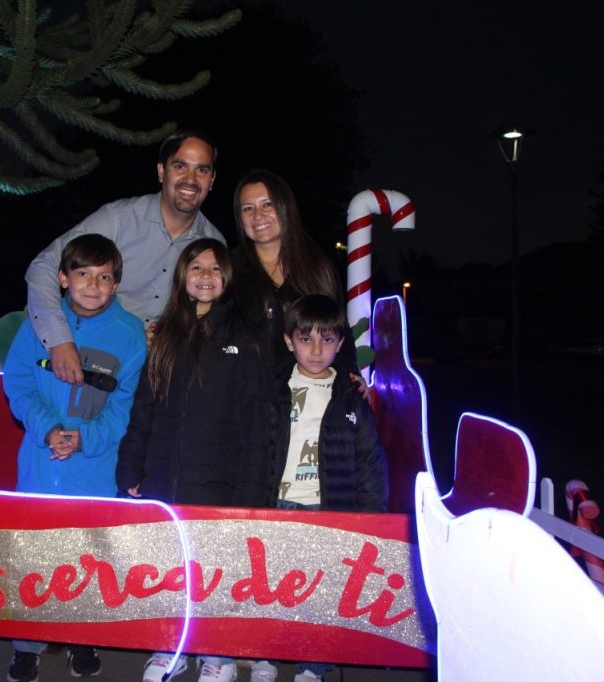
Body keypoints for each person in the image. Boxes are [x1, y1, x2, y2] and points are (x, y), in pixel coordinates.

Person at [116, 238, 266, 682]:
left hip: (219, 481)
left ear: (229, 278)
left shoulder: (244, 337)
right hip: (165, 479)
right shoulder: (165, 337)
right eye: (196, 267)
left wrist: (250, 489)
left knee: (215, 570)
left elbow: (256, 423)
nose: (205, 276)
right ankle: (172, 647)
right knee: (171, 569)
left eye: (215, 269)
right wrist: (131, 469)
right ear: (182, 276)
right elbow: (144, 409)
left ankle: (215, 652)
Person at [2, 234, 148, 682]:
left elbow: (124, 409)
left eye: (104, 276)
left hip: (94, 469)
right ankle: (27, 644)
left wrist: (82, 439)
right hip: (40, 465)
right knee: (33, 555)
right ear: (63, 278)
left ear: (116, 283)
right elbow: (18, 385)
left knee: (89, 557)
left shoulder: (129, 335)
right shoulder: (39, 323)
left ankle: (84, 637)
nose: (92, 284)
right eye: (83, 273)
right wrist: (49, 429)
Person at [25, 129, 225, 386]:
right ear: (162, 171)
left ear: (212, 180)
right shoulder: (118, 220)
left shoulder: (213, 245)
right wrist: (59, 341)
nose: (191, 179)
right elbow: (44, 266)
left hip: (158, 373)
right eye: (180, 166)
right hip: (90, 358)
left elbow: (210, 318)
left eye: (202, 170)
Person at [268, 294, 389, 682]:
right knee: (272, 586)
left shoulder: (351, 397)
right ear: (289, 341)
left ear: (340, 343)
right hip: (277, 505)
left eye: (327, 340)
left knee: (319, 592)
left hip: (327, 507)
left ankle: (312, 665)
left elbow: (369, 463)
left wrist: (371, 521)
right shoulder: (272, 389)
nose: (316, 350)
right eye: (306, 339)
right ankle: (265, 657)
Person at [230, 168, 359, 377]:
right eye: (247, 209)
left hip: (307, 394)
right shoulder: (228, 269)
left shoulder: (317, 267)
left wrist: (351, 374)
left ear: (285, 208)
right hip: (246, 394)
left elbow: (338, 328)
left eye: (267, 204)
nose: (258, 215)